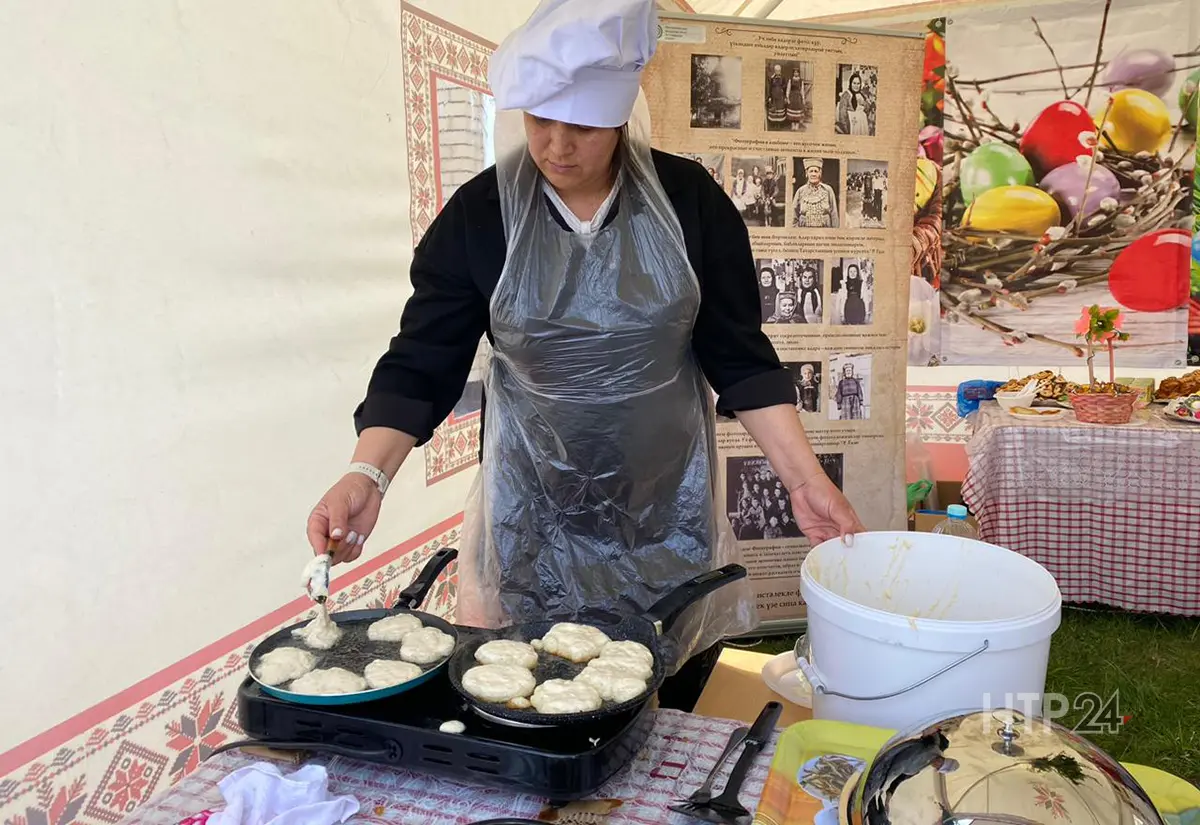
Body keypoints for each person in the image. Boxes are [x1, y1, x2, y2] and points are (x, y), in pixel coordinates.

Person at [305, 0, 864, 713]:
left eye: (584, 126)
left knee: (664, 691)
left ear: (623, 115)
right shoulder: (483, 214)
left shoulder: (688, 202)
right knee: (530, 692)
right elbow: (422, 360)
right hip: (533, 511)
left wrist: (804, 479)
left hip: (663, 503)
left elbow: (740, 356)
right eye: (540, 119)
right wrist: (367, 473)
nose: (557, 146)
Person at [793, 158, 839, 228]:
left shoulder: (828, 190)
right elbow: (793, 215)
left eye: (816, 171)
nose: (813, 174)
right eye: (811, 171)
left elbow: (834, 214)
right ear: (806, 173)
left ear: (820, 173)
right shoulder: (800, 191)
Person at [836, 71, 871, 136]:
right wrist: (846, 130)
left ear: (860, 84)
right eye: (854, 83)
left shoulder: (862, 94)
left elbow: (868, 110)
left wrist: (863, 103)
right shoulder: (846, 95)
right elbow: (842, 115)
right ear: (850, 83)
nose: (856, 86)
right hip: (851, 126)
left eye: (858, 83)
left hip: (862, 125)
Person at [786, 66, 807, 131]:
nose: (796, 73)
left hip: (798, 97)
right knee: (792, 110)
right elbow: (788, 88)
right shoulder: (790, 80)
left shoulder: (801, 81)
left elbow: (802, 90)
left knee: (797, 110)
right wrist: (787, 97)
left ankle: (797, 124)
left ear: (799, 73)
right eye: (795, 72)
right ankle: (793, 124)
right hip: (792, 97)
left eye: (797, 72)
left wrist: (803, 98)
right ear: (793, 73)